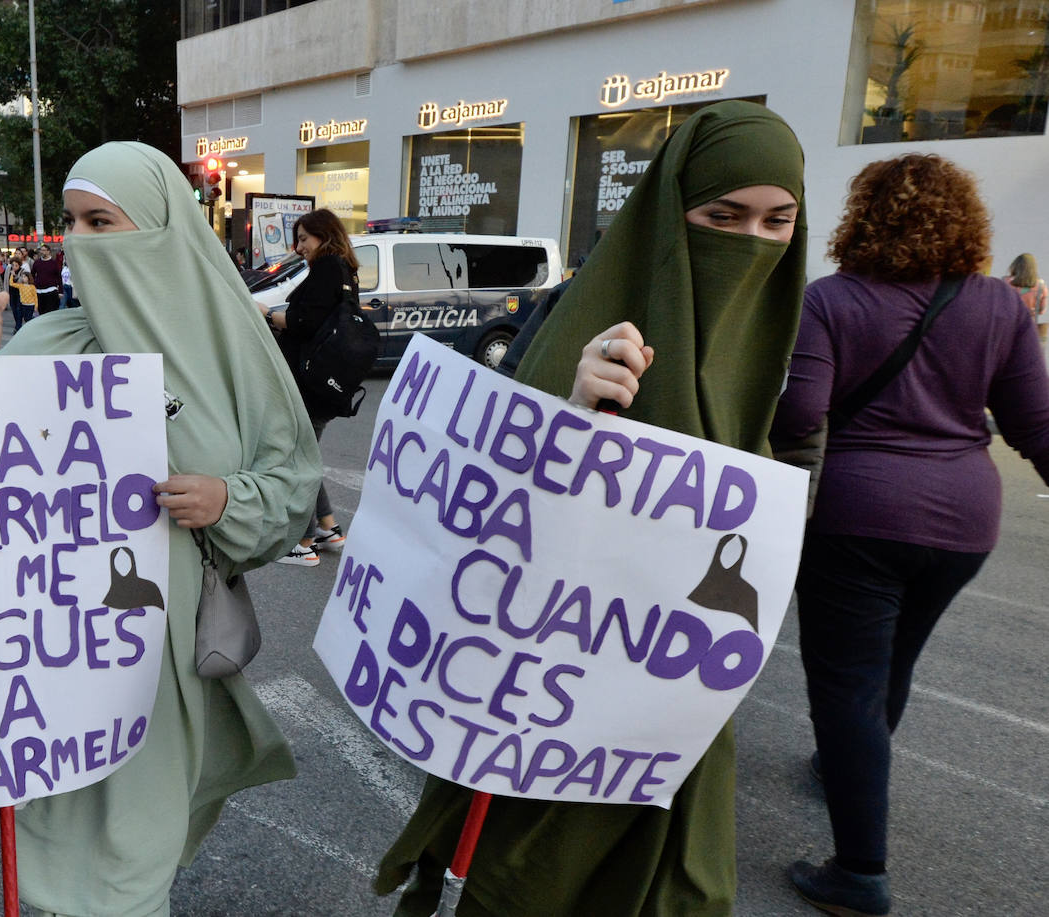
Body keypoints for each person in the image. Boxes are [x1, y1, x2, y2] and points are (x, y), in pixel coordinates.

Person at [376, 100, 808, 917]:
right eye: (723, 216)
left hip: (673, 722)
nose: (751, 242)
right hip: (548, 716)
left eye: (777, 221)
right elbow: (480, 523)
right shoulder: (587, 325)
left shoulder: (778, 335)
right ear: (674, 211)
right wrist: (569, 414)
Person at [0, 140, 321, 917]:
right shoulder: (44, 341)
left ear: (157, 227)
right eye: (72, 223)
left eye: (101, 222)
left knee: (131, 858)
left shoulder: (233, 351)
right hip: (49, 649)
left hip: (160, 669)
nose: (78, 242)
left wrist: (228, 498)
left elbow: (291, 488)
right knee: (51, 838)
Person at [767, 154, 1049, 917]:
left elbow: (798, 417)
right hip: (966, 522)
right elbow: (1034, 425)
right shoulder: (1000, 304)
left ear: (863, 219)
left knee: (847, 682)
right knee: (893, 661)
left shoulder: (831, 301)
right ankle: (844, 766)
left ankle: (859, 872)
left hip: (855, 516)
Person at [257, 208, 355, 567]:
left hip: (309, 384)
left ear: (324, 235)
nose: (299, 248)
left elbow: (303, 321)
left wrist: (264, 313)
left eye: (303, 239)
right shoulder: (346, 270)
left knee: (298, 460)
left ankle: (304, 541)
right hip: (326, 383)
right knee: (306, 457)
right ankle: (329, 528)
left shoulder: (328, 267)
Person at [1003, 252, 1048, 344]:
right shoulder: (1041, 286)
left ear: (1015, 265)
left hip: (1008, 328)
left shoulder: (1005, 282)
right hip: (1029, 328)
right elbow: (1042, 310)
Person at [31, 242, 63, 315]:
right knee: (41, 312)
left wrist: (61, 291)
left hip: (51, 290)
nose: (42, 252)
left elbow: (59, 277)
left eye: (44, 250)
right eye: (41, 250)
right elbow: (32, 274)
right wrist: (34, 284)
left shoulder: (54, 263)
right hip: (39, 291)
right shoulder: (37, 263)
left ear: (48, 251)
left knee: (51, 312)